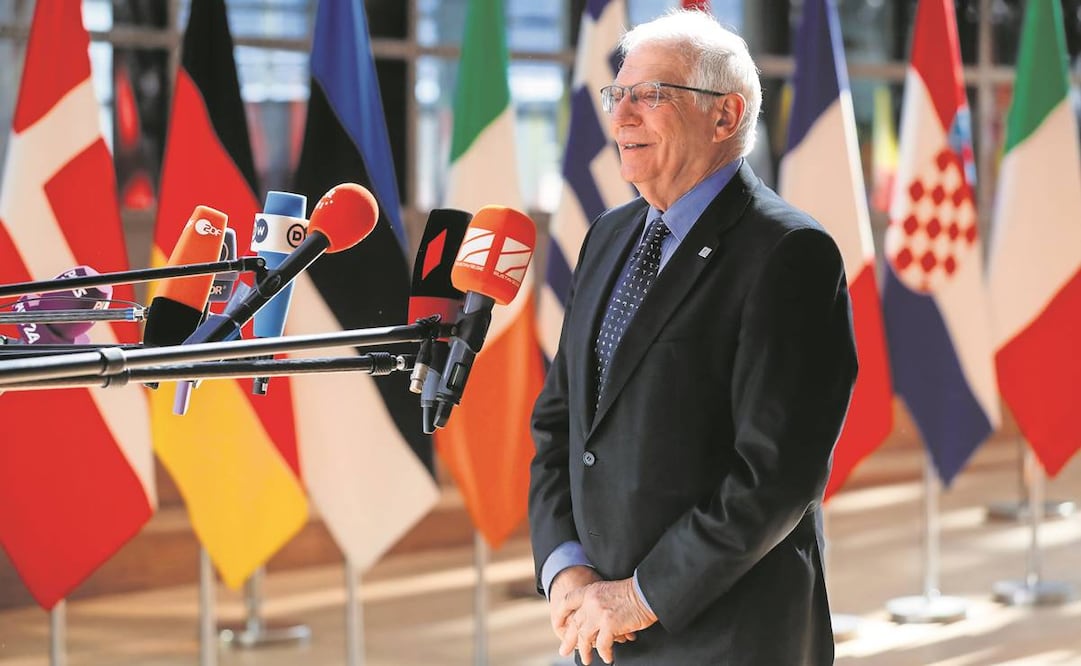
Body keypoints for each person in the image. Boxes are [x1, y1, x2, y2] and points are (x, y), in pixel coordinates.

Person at [529, 9, 858, 666]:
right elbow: (559, 424)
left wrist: (640, 596)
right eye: (615, 95)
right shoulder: (607, 236)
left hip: (728, 635)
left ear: (724, 115)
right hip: (596, 628)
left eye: (648, 96)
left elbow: (775, 476)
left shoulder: (790, 253)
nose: (621, 118)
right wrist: (566, 568)